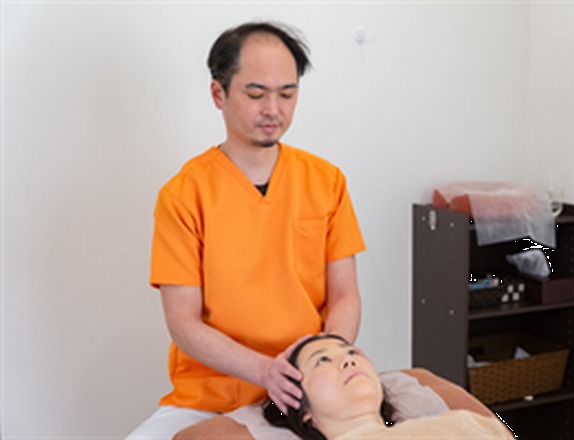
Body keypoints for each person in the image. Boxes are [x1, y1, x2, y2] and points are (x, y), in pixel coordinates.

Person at [127, 21, 365, 439]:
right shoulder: (183, 195)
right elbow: (183, 323)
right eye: (256, 94)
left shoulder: (326, 181)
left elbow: (344, 294)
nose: (273, 109)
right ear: (218, 94)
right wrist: (264, 371)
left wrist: (322, 363)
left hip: (308, 392)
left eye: (287, 94)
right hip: (210, 398)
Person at [264, 334, 515, 440]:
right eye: (322, 360)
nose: (349, 361)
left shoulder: (465, 423)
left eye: (352, 352)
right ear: (303, 411)